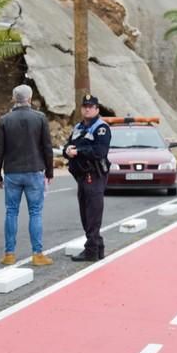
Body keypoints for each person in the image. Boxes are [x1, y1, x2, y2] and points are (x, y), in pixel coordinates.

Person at [0, 85, 54, 266]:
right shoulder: (40, 118)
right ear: (30, 98)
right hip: (35, 171)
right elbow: (47, 148)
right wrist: (49, 171)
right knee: (35, 212)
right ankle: (37, 254)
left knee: (11, 212)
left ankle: (9, 254)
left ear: (14, 98)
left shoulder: (4, 120)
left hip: (12, 172)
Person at [63, 94, 112, 262]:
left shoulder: (101, 128)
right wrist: (67, 151)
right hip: (81, 176)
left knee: (92, 214)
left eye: (91, 106)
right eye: (85, 106)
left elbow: (100, 152)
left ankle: (91, 250)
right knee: (85, 213)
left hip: (94, 174)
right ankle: (98, 247)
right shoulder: (78, 127)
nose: (87, 109)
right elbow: (67, 146)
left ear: (97, 109)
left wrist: (79, 151)